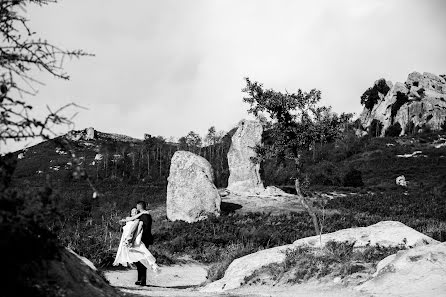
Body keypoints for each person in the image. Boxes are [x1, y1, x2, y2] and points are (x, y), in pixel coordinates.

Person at [113, 204, 158, 286]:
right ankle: (140, 279)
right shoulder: (131, 218)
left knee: (141, 259)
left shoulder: (138, 220)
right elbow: (128, 220)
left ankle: (142, 280)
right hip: (126, 240)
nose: (133, 212)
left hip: (136, 240)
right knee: (137, 260)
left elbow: (138, 228)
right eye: (132, 211)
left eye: (135, 211)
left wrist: (131, 239)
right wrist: (141, 213)